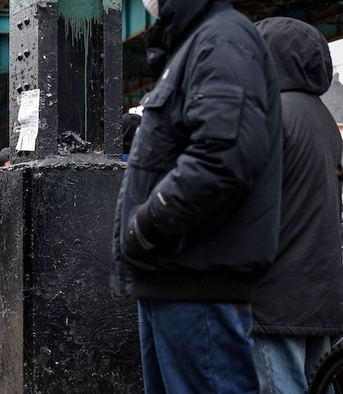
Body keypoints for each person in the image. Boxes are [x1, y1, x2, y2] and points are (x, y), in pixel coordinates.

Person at [112, 1, 283, 393]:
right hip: (175, 276)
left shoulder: (221, 40)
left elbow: (222, 157)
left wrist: (145, 226)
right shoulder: (201, 43)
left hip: (195, 279)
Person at [250, 17, 343, 394]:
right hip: (319, 292)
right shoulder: (322, 117)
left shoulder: (270, 117)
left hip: (275, 296)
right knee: (320, 382)